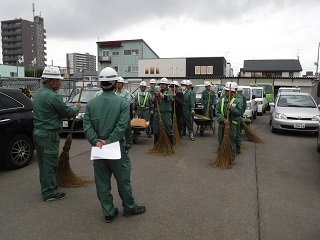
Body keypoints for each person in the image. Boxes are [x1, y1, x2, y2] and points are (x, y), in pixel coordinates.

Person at [83, 67, 146, 223]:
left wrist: (96, 141)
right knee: (123, 179)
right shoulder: (122, 103)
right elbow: (123, 126)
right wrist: (111, 141)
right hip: (116, 147)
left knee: (102, 182)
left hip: (98, 148)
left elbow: (87, 126)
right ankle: (129, 207)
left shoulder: (91, 104)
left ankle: (108, 211)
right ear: (114, 82)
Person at [33, 66, 80, 202]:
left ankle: (47, 186)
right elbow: (67, 112)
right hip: (49, 134)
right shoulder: (53, 96)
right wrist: (76, 108)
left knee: (42, 163)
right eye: (58, 81)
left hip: (38, 133)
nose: (60, 83)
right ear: (50, 81)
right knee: (50, 164)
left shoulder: (38, 93)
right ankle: (48, 193)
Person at [215, 82, 242, 161]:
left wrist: (231, 108)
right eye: (225, 91)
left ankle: (231, 158)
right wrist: (224, 120)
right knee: (221, 141)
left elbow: (239, 112)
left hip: (232, 125)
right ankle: (222, 156)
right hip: (222, 124)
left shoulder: (237, 101)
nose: (226, 92)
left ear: (232, 92)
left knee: (231, 142)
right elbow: (217, 111)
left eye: (227, 91)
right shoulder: (221, 100)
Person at [152, 77, 173, 145]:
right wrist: (154, 99)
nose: (162, 85)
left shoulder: (170, 91)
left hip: (166, 113)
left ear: (166, 85)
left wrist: (159, 95)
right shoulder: (158, 91)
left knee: (168, 128)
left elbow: (166, 98)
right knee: (156, 129)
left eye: (163, 84)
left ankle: (170, 145)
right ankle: (156, 145)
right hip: (157, 112)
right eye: (161, 84)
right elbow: (153, 101)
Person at [235, 86, 247, 154]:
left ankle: (238, 147)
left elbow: (244, 106)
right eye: (238, 91)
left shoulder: (242, 97)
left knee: (237, 133)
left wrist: (241, 113)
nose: (239, 92)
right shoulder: (234, 97)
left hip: (239, 114)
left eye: (240, 91)